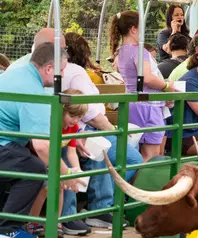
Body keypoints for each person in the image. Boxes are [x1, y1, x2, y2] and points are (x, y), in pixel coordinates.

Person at [0, 43, 83, 238]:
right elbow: (43, 145)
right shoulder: (33, 91)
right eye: (61, 70)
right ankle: (7, 230)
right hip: (4, 144)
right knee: (34, 168)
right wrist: (67, 173)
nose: (62, 76)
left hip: (7, 142)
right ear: (48, 69)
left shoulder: (17, 72)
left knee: (20, 163)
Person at [62, 33, 142, 232]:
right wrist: (114, 131)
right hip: (88, 128)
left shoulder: (73, 72)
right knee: (126, 157)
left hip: (83, 127)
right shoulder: (77, 73)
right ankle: (100, 207)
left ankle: (101, 205)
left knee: (106, 153)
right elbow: (88, 111)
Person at [109, 10, 177, 162]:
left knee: (135, 152)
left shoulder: (121, 52)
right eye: (141, 28)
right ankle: (143, 184)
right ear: (133, 29)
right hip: (148, 106)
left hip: (133, 104)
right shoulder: (139, 51)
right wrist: (166, 86)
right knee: (150, 155)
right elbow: (146, 77)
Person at [26, 88, 88, 238]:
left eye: (79, 117)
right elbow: (41, 148)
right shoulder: (51, 123)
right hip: (36, 158)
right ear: (62, 110)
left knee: (60, 186)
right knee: (46, 186)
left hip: (53, 159)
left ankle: (56, 221)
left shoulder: (73, 127)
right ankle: (32, 221)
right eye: (72, 115)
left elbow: (71, 151)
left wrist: (77, 171)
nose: (75, 120)